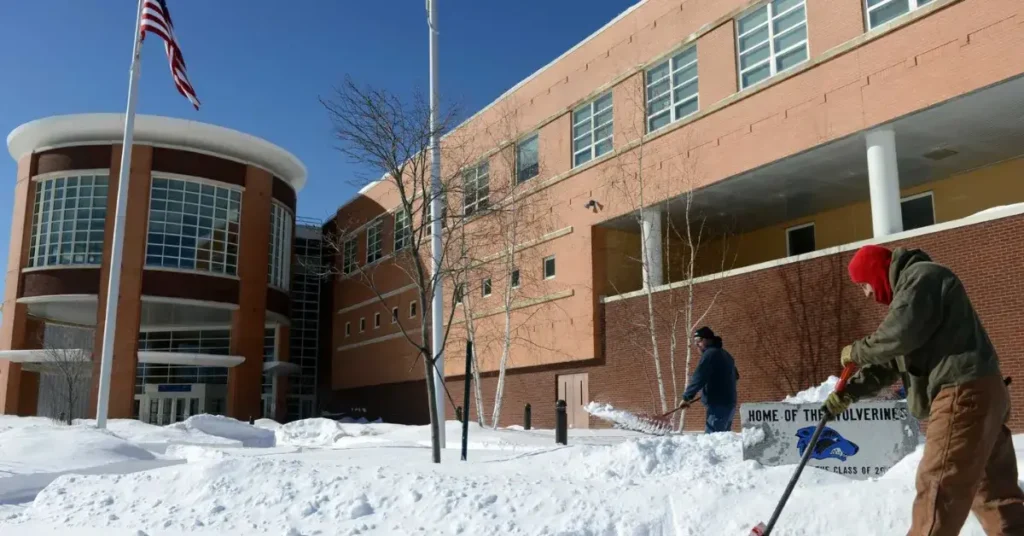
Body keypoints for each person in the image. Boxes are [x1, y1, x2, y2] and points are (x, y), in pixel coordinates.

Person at [821, 244, 1024, 536]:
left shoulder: (922, 278)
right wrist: (850, 392)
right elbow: (891, 360)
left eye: (864, 284)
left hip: (962, 393)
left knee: (937, 488)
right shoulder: (914, 297)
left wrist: (856, 351)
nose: (866, 294)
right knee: (995, 495)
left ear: (877, 273)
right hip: (984, 394)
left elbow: (897, 337)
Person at [679, 326, 739, 433]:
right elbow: (736, 376)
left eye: (699, 340)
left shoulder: (710, 354)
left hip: (718, 406)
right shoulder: (726, 354)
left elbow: (699, 377)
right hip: (729, 404)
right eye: (695, 341)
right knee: (722, 438)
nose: (697, 344)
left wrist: (687, 397)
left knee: (712, 438)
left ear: (709, 339)